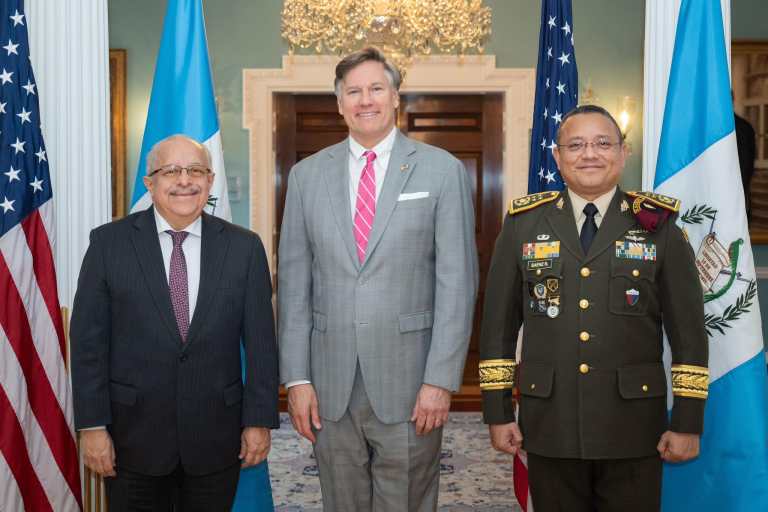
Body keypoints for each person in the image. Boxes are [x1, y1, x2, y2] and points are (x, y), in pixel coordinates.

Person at [479, 105, 709, 511]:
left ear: (623, 152)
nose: (589, 154)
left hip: (633, 425)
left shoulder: (659, 227)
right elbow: (498, 329)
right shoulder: (522, 224)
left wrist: (688, 423)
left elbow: (689, 333)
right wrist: (498, 412)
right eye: (576, 145)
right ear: (557, 156)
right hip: (551, 422)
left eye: (603, 143)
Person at [278, 47, 478, 511]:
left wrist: (440, 381)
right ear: (339, 103)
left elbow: (457, 285)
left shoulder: (442, 170)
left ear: (395, 97)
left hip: (411, 382)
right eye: (353, 91)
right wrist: (297, 379)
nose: (365, 100)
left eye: (375, 88)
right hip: (329, 383)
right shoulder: (306, 177)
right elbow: (293, 287)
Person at [70, 135, 279, 511]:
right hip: (131, 440)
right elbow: (88, 345)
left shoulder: (244, 248)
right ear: (149, 183)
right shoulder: (108, 244)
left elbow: (262, 344)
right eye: (171, 171)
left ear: (210, 181)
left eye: (195, 170)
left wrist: (259, 421)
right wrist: (93, 426)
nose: (185, 181)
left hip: (217, 438)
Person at [735, 112, 756, 222]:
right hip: (741, 189)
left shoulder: (740, 126)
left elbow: (746, 162)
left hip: (736, 190)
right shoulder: (745, 126)